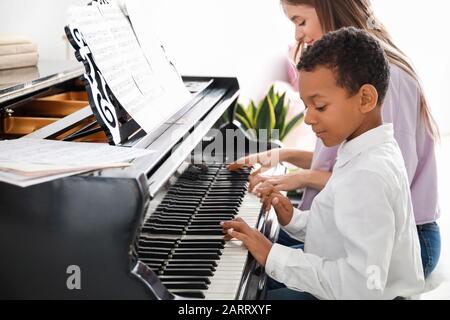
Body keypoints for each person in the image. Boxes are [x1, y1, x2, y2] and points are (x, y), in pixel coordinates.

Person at [228, 0, 440, 278]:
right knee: (246, 249)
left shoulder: (387, 78)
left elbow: (377, 183)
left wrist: (298, 178)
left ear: (330, 7)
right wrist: (281, 155)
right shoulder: (345, 74)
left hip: (402, 243)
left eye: (300, 21)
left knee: (253, 266)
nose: (297, 35)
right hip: (351, 224)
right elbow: (347, 160)